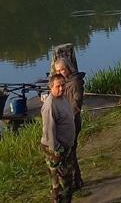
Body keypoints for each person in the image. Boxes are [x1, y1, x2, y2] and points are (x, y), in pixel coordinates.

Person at [41, 73, 76, 203]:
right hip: (55, 151)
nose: (61, 88)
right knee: (59, 184)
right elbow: (49, 131)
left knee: (68, 181)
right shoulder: (49, 106)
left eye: (63, 85)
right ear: (51, 87)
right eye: (58, 86)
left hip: (66, 147)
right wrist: (57, 149)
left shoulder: (63, 98)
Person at [53, 58, 85, 190]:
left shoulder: (75, 83)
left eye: (62, 69)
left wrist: (67, 118)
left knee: (70, 152)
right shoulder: (63, 83)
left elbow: (76, 104)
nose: (60, 72)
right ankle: (76, 181)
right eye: (57, 71)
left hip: (72, 123)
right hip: (64, 123)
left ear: (68, 68)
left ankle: (76, 181)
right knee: (69, 153)